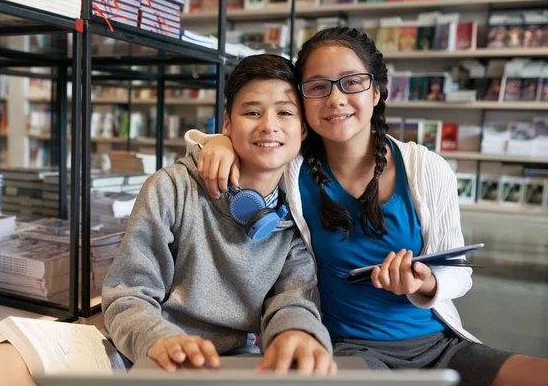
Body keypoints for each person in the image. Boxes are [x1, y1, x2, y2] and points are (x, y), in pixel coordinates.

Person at [186, 27, 548, 386]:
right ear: (302, 101)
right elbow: (245, 146)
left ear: (376, 91)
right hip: (348, 349)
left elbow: (460, 271)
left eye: (352, 82)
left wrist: (425, 282)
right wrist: (218, 142)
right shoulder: (290, 168)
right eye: (317, 86)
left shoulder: (425, 167)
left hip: (439, 344)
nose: (336, 99)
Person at [0, 54, 335, 386]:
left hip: (225, 364)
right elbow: (128, 295)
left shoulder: (299, 214)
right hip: (140, 346)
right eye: (252, 111)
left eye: (285, 112)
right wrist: (160, 341)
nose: (269, 124)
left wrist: (297, 333)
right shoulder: (172, 187)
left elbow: (293, 301)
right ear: (226, 124)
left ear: (303, 129)